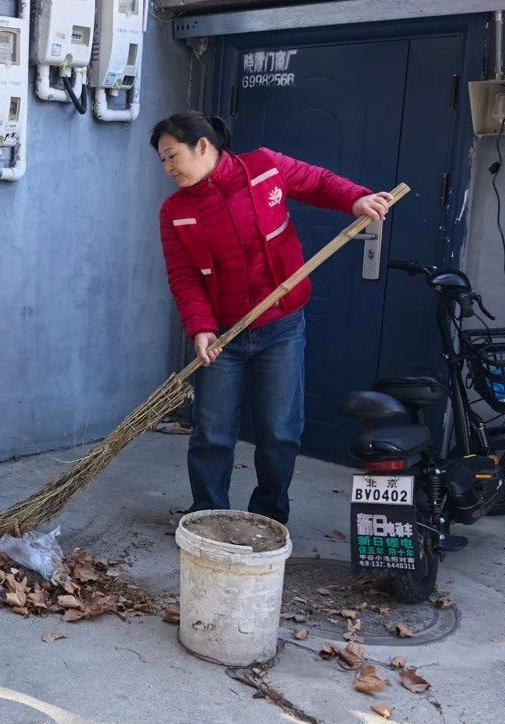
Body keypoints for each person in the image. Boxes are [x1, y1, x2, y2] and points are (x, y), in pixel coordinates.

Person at [153, 112, 392, 525]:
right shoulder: (174, 211)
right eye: (163, 161)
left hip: (281, 328)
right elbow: (183, 275)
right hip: (223, 338)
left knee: (280, 432)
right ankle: (208, 516)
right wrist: (201, 327)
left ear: (203, 146)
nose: (169, 167)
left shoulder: (264, 168)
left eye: (173, 156)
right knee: (212, 433)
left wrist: (356, 198)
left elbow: (317, 182)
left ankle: (268, 516)